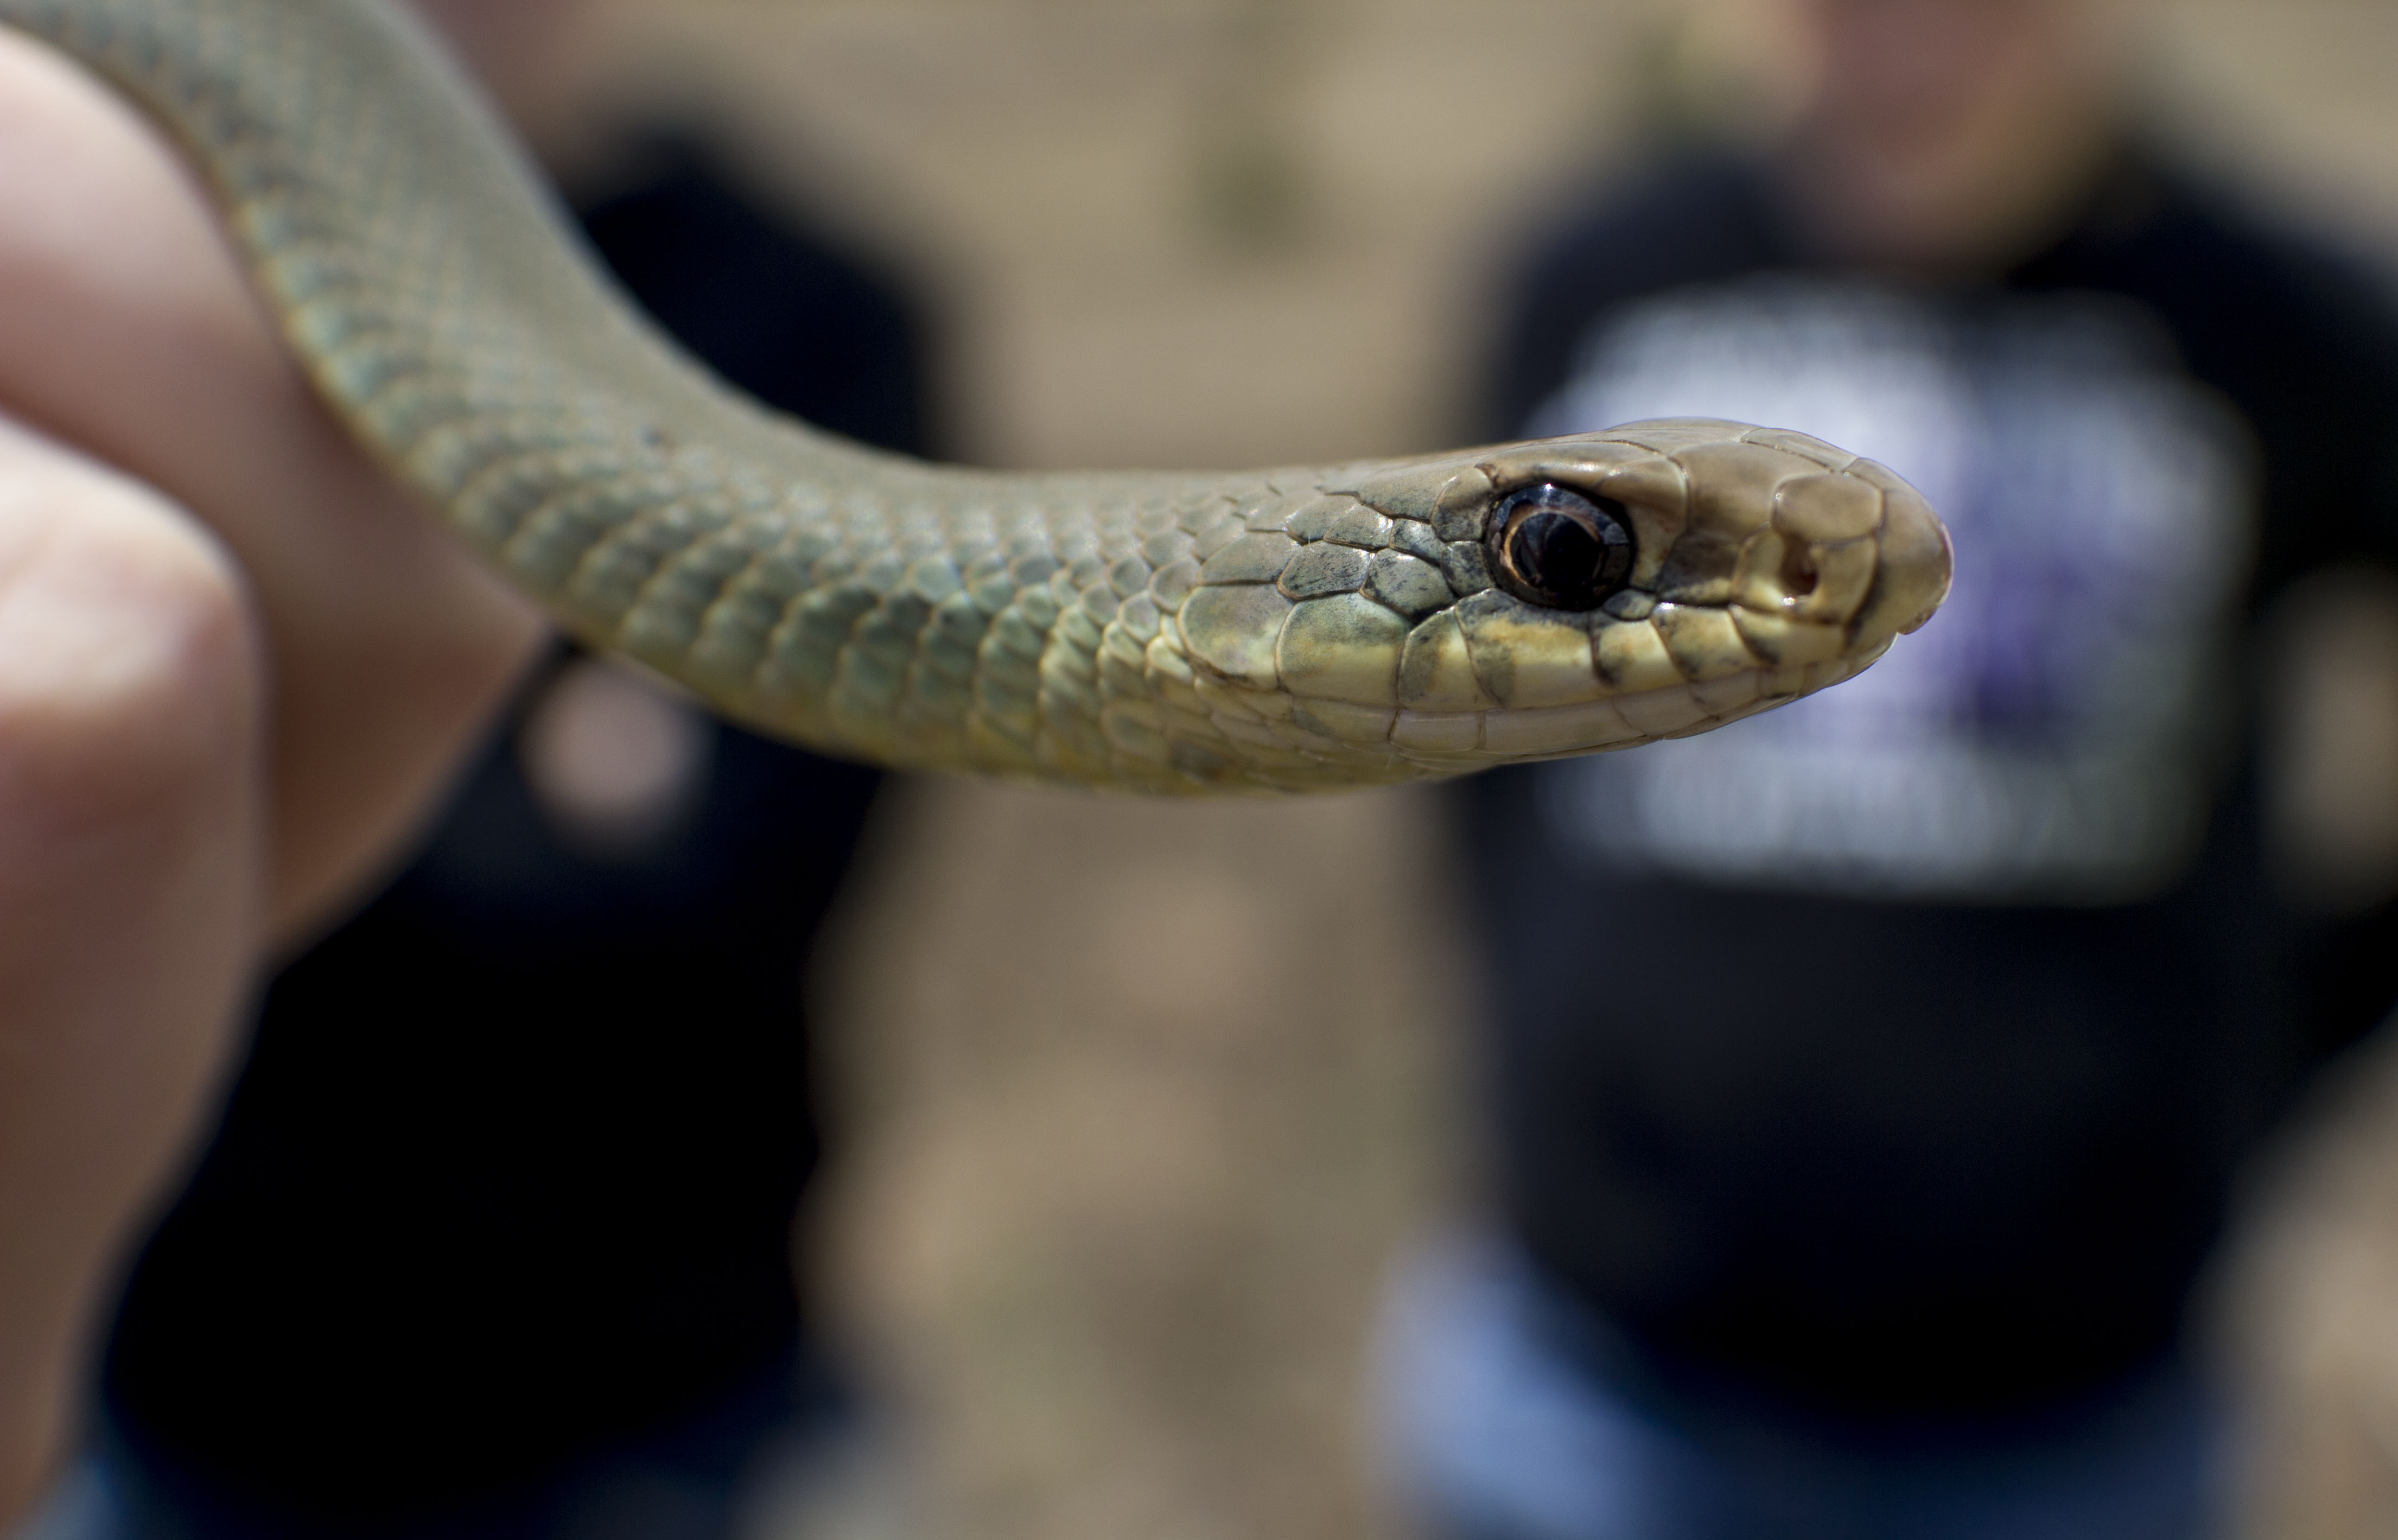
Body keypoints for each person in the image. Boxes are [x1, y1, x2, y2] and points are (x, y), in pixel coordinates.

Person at [1381, 1, 2398, 1537]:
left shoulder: (2277, 317)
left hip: (2073, 1437)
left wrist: (2275, 1035)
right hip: (1589, 1399)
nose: (1911, 45)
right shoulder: (1595, 279)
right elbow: (1439, 717)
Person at [3, 5, 936, 1538]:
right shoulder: (131, 218)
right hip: (177, 1419)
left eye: (1504, 552)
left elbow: (689, 926)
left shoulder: (811, 306)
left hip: (671, 1435)